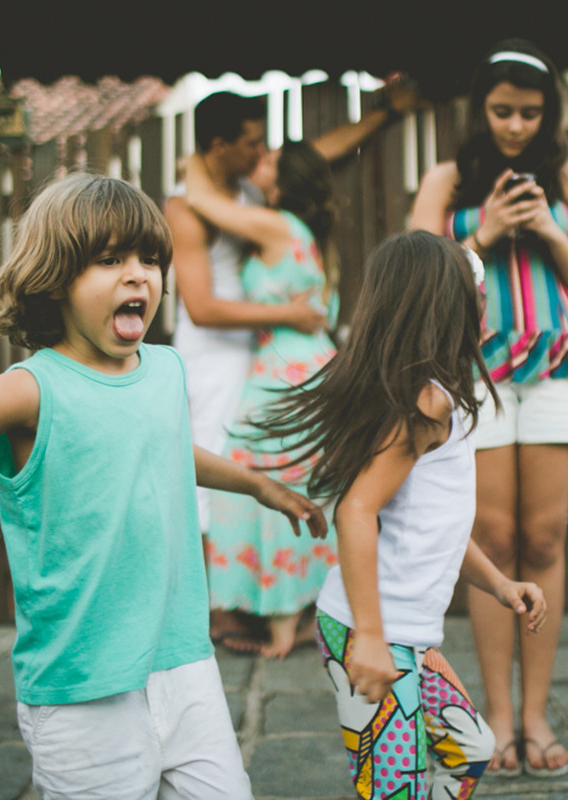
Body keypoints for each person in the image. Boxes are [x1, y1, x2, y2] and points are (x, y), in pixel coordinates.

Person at [0, 173, 327, 799]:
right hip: (82, 686)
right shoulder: (31, 388)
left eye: (150, 259)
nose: (139, 275)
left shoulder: (163, 368)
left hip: (183, 663)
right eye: (109, 260)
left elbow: (160, 448)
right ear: (54, 278)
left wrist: (254, 485)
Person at [252, 231, 548, 799]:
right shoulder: (425, 403)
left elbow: (441, 528)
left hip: (409, 636)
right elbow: (357, 510)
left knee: (470, 751)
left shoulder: (449, 401)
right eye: (476, 293)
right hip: (374, 631)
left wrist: (500, 584)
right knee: (394, 791)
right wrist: (370, 637)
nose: (485, 304)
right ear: (443, 307)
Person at [410, 38, 568, 778]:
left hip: (558, 365)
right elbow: (419, 272)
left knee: (546, 540)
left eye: (530, 113)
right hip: (476, 370)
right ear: (480, 109)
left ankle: (535, 715)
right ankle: (497, 714)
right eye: (502, 111)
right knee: (491, 538)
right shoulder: (450, 178)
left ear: (549, 114)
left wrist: (550, 228)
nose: (516, 126)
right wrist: (486, 229)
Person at [165, 84, 420, 646]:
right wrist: (289, 313)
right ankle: (228, 608)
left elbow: (314, 156)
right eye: (253, 145)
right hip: (225, 354)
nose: (262, 155)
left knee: (277, 482)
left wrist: (381, 115)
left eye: (268, 151)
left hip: (271, 356)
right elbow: (203, 307)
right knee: (218, 479)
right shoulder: (191, 205)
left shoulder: (262, 203)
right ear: (218, 145)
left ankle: (278, 606)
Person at [181, 140, 341, 658]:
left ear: (286, 179)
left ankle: (283, 616)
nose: (258, 163)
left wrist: (195, 159)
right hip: (291, 363)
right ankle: (292, 611)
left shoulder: (281, 226)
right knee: (279, 482)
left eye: (269, 160)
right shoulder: (293, 228)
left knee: (264, 484)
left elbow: (204, 203)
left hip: (289, 370)